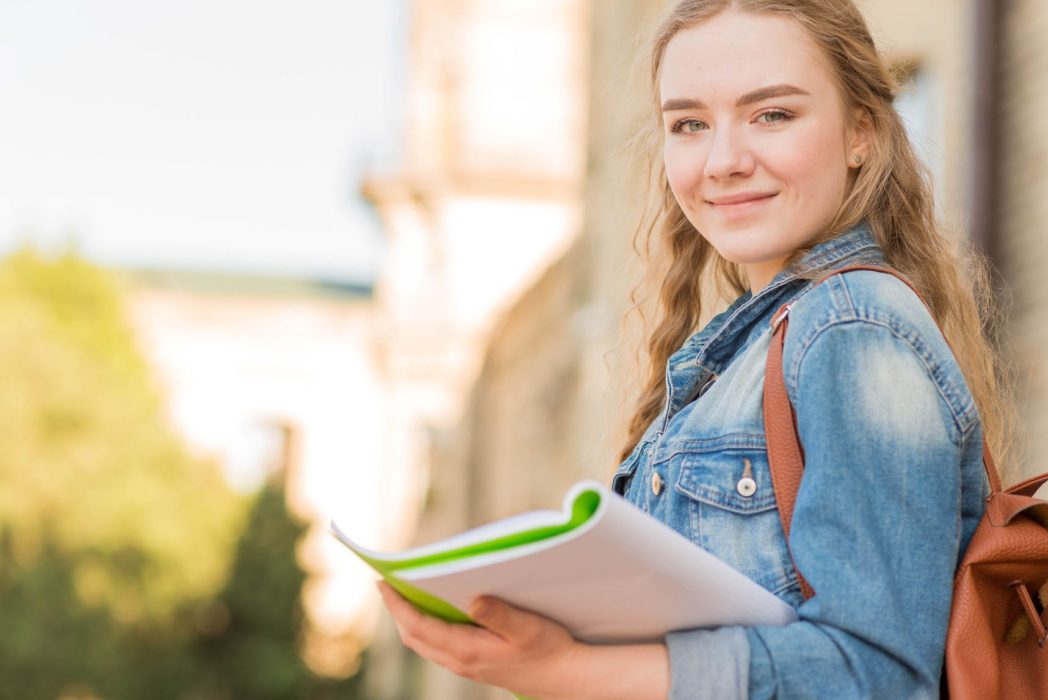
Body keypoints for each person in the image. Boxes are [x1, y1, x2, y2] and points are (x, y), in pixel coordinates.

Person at [377, 1, 1015, 697]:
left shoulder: (852, 330)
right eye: (689, 124)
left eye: (772, 114)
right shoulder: (747, 351)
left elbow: (874, 677)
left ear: (861, 130)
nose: (723, 161)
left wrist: (565, 669)